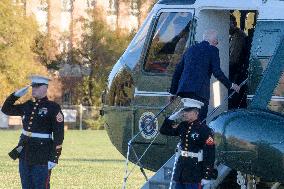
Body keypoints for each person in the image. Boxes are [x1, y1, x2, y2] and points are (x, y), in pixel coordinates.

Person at [1, 75, 64, 189]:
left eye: (37, 86)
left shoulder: (53, 108)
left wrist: (54, 157)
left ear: (45, 88)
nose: (33, 89)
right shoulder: (28, 105)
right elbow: (6, 109)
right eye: (33, 86)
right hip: (24, 152)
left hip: (42, 155)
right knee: (26, 186)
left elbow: (59, 135)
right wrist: (15, 95)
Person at [169, 29, 240, 121]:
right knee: (200, 120)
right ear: (213, 40)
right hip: (200, 92)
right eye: (216, 40)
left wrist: (172, 92)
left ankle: (187, 133)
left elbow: (177, 71)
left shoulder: (190, 49)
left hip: (185, 91)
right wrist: (231, 85)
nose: (217, 42)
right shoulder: (213, 50)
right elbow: (217, 72)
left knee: (188, 118)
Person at [160, 98, 217, 189]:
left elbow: (210, 154)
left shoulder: (204, 130)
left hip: (195, 172)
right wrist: (172, 117)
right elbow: (164, 131)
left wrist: (207, 176)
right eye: (184, 110)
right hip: (181, 171)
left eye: (188, 111)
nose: (184, 113)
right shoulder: (183, 126)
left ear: (196, 112)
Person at [229, 14, 248, 109]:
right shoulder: (234, 36)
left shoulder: (238, 37)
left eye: (229, 23)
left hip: (236, 74)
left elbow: (233, 61)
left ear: (234, 24)